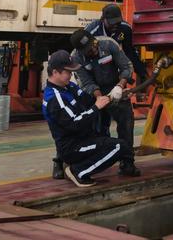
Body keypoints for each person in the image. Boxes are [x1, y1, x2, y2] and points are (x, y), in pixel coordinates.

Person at [42, 49, 132, 187]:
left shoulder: (68, 86)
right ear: (55, 72)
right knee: (119, 147)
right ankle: (78, 171)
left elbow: (88, 100)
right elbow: (74, 124)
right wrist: (96, 108)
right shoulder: (55, 98)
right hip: (72, 147)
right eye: (68, 72)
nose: (70, 75)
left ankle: (78, 166)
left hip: (83, 139)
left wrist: (115, 96)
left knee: (115, 143)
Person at [70, 26, 142, 177]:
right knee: (96, 129)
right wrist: (99, 98)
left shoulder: (109, 44)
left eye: (93, 46)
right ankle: (99, 161)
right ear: (81, 51)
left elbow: (126, 67)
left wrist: (119, 86)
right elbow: (86, 83)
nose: (93, 51)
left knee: (126, 123)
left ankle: (127, 163)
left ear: (95, 41)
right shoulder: (75, 58)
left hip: (115, 87)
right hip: (93, 94)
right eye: (88, 51)